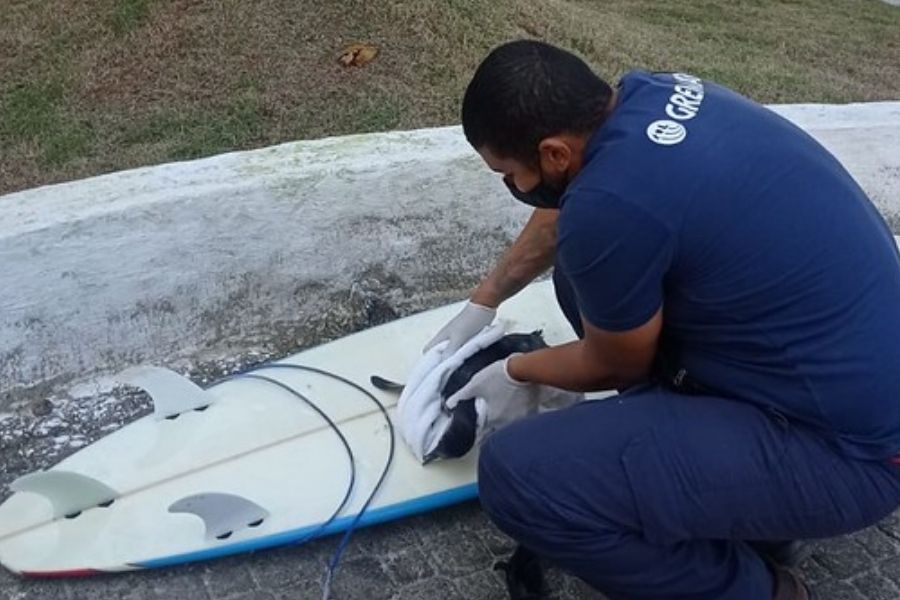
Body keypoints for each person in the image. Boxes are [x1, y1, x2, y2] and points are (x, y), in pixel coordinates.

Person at [425, 40, 900, 599]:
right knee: (579, 279)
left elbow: (614, 364)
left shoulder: (611, 204)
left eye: (507, 171)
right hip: (840, 390)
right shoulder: (651, 96)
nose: (513, 186)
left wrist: (518, 372)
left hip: (853, 456)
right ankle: (720, 489)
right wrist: (484, 300)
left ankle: (760, 586)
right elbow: (573, 213)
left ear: (553, 155)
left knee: (517, 477)